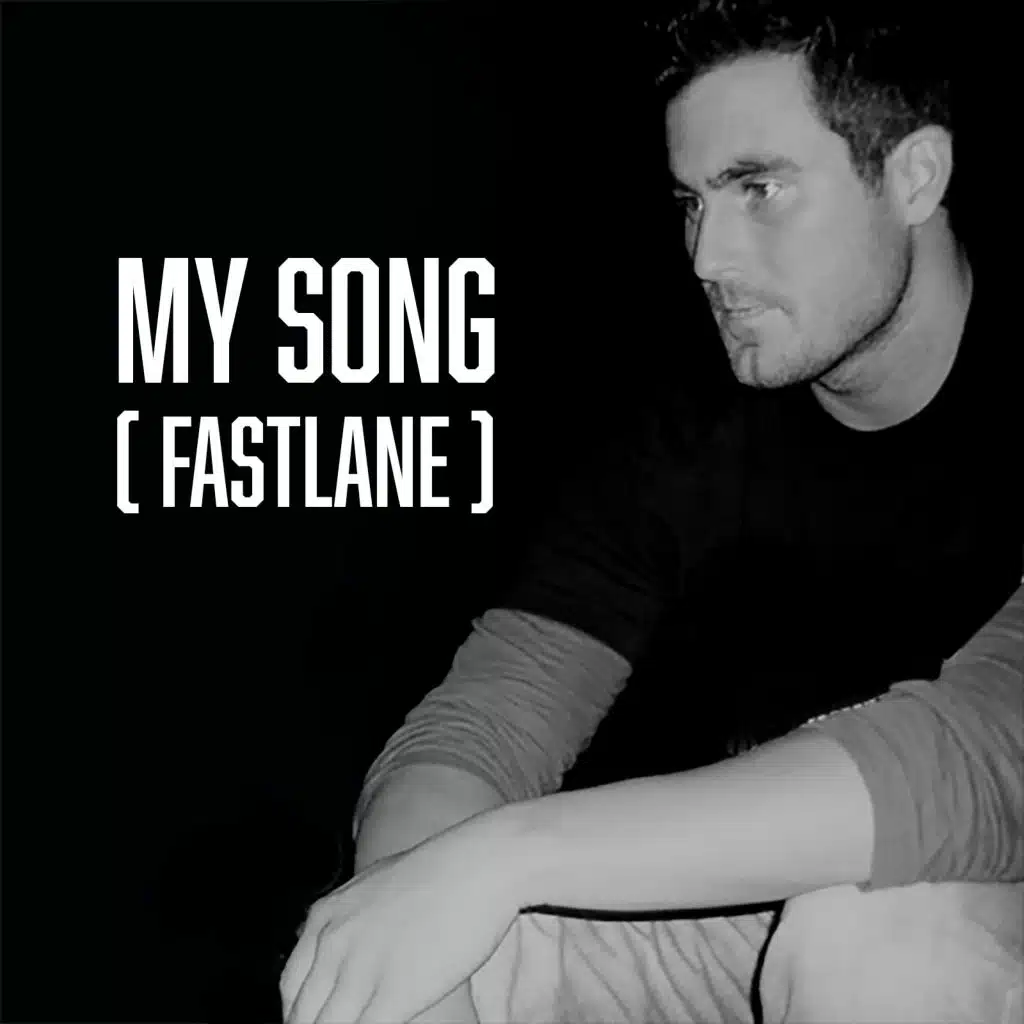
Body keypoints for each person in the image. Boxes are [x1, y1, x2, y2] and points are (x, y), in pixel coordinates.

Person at [280, 3, 1023, 1022]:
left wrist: (509, 856)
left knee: (881, 945)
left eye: (758, 188)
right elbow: (486, 720)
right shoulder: (688, 430)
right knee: (403, 941)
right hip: (764, 915)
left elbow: (982, 761)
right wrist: (413, 920)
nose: (707, 256)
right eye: (691, 202)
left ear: (914, 176)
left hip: (970, 896)